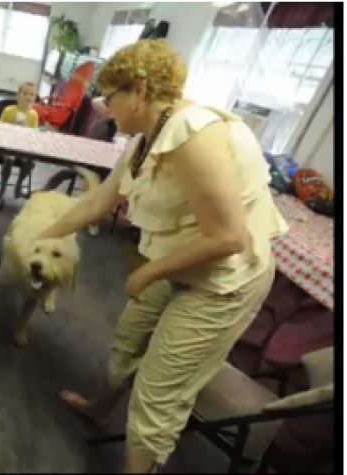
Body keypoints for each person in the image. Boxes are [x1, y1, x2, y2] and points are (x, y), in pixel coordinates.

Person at [37, 39, 288, 473]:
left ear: (139, 89)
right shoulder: (145, 140)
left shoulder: (194, 134)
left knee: (158, 394)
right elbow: (97, 205)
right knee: (127, 339)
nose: (101, 107)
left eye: (109, 96)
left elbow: (228, 238)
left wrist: (149, 270)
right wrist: (39, 234)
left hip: (222, 283)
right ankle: (101, 407)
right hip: (182, 263)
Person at [0, 82, 39, 210]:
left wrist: (28, 131)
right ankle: (2, 188)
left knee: (30, 160)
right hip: (7, 144)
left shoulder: (34, 115)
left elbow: (34, 134)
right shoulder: (9, 110)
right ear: (18, 95)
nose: (28, 97)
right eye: (25, 93)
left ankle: (18, 184)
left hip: (23, 146)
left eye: (32, 94)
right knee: (9, 158)